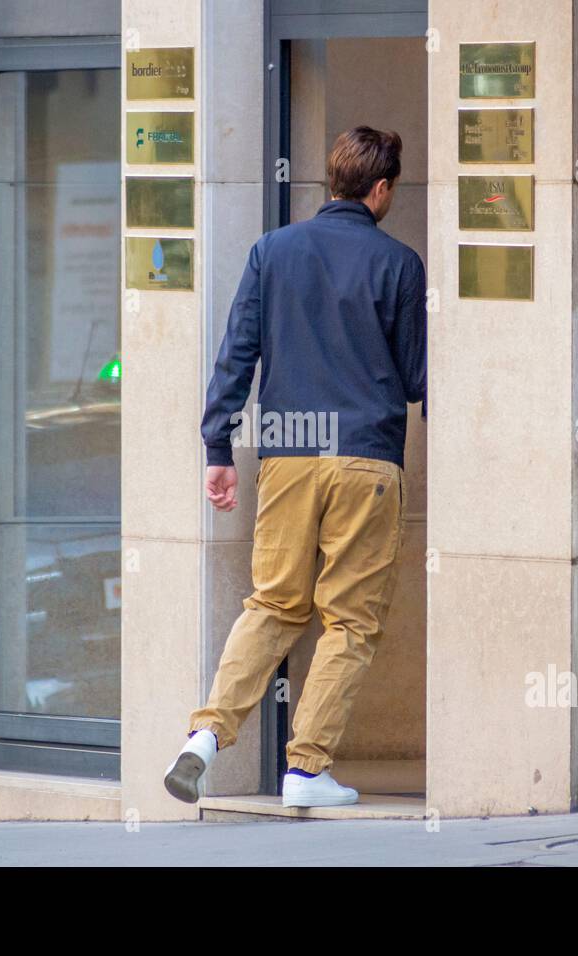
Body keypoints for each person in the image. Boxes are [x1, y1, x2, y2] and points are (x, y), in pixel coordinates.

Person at [163, 126, 427, 808]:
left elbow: (237, 354)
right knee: (349, 621)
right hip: (365, 455)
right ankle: (306, 770)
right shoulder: (399, 263)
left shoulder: (272, 252)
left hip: (286, 453)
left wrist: (218, 449)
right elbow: (417, 374)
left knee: (275, 603)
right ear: (380, 189)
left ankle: (204, 738)